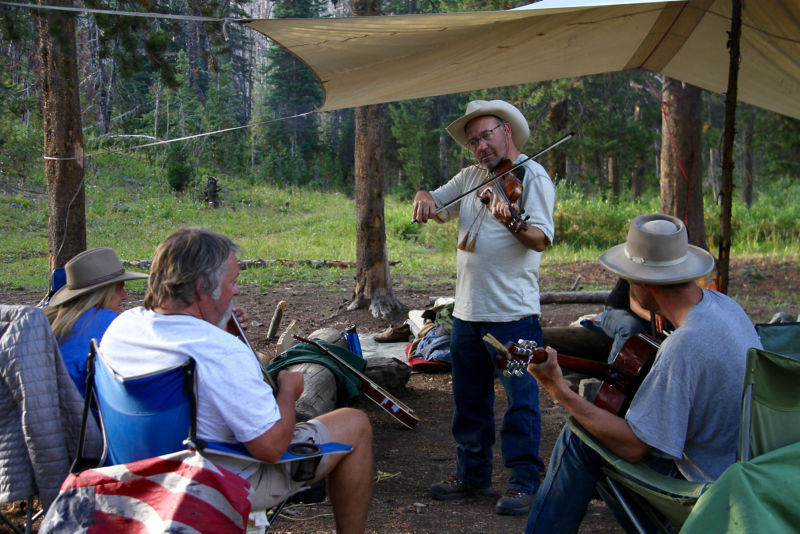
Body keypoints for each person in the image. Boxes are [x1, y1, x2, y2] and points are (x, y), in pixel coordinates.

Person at [100, 228, 373, 533]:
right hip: (214, 480)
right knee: (355, 423)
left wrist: (218, 330)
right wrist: (287, 393)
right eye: (233, 282)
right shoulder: (220, 352)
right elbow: (269, 448)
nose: (237, 291)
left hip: (134, 467)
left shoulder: (122, 326)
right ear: (204, 286)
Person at [525, 213, 764, 533]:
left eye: (628, 277)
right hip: (748, 474)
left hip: (707, 489)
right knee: (602, 449)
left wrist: (559, 390)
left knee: (580, 438)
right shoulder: (725, 306)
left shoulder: (684, 345)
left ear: (644, 283)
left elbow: (633, 446)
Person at [413, 99, 555, 515]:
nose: (480, 146)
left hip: (516, 319)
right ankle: (472, 474)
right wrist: (423, 195)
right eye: (473, 141)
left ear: (506, 130)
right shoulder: (472, 177)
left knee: (521, 397)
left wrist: (510, 218)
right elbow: (436, 200)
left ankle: (525, 481)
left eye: (486, 135)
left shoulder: (534, 177)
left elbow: (541, 238)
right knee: (470, 398)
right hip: (467, 318)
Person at [44, 247, 148, 397]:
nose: (125, 297)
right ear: (102, 293)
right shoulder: (104, 319)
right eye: (119, 289)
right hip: (84, 415)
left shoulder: (53, 318)